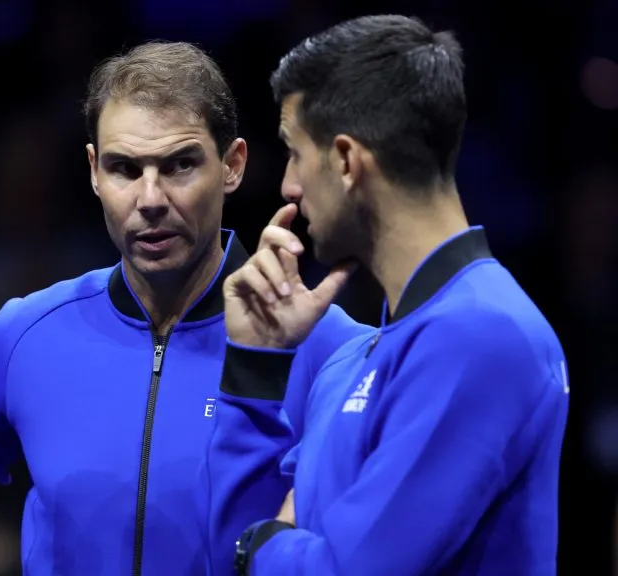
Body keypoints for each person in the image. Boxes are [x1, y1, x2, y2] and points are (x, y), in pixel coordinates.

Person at [0, 41, 369, 575]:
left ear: (232, 166)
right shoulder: (23, 336)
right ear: (94, 171)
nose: (150, 199)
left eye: (180, 165)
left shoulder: (334, 352)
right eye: (124, 168)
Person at [202, 14, 570, 576]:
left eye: (294, 153)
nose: (288, 187)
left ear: (347, 161)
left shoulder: (483, 335)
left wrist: (262, 547)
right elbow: (232, 552)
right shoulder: (351, 362)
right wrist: (255, 365)